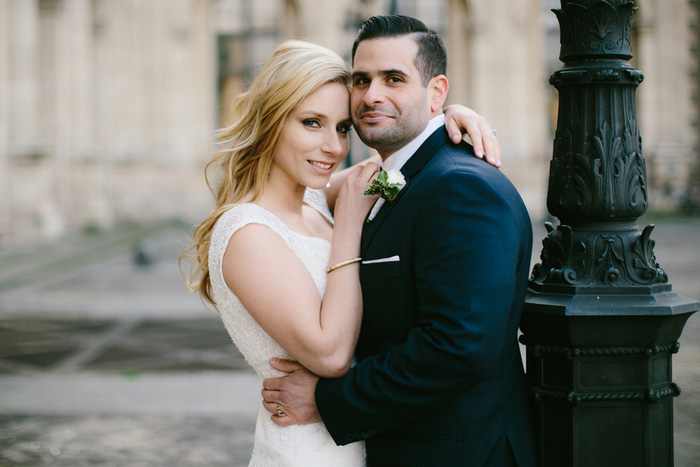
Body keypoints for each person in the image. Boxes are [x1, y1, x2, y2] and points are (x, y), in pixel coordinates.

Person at [183, 39, 500, 466]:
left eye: (342, 128)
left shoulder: (312, 198)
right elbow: (331, 355)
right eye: (311, 123)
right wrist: (348, 227)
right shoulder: (246, 232)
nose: (333, 147)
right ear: (271, 121)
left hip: (355, 437)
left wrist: (444, 117)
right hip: (304, 449)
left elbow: (398, 169)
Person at [261, 16, 537, 466]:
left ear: (436, 92)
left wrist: (331, 399)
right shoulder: (387, 179)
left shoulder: (460, 187)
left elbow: (458, 348)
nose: (372, 95)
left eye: (394, 79)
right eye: (361, 79)